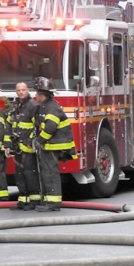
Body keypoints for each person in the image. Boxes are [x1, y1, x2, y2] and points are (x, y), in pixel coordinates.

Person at [32, 76, 77, 212]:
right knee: (47, 172)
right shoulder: (45, 106)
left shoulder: (51, 107)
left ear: (42, 94)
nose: (35, 96)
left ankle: (53, 203)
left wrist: (39, 141)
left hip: (53, 145)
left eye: (37, 93)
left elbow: (50, 127)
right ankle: (49, 200)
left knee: (50, 172)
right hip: (50, 145)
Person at [8, 81, 42, 211]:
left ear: (28, 90)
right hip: (18, 147)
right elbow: (11, 124)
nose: (21, 92)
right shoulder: (16, 105)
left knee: (30, 174)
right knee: (19, 174)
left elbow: (37, 127)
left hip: (29, 148)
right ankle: (23, 200)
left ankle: (34, 201)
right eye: (18, 90)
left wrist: (33, 142)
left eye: (23, 90)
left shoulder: (33, 106)